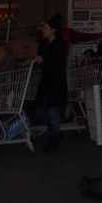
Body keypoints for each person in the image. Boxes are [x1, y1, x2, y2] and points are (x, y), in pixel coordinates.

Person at [33, 18, 68, 152]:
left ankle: (54, 138)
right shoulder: (44, 43)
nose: (43, 30)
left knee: (52, 110)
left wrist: (43, 60)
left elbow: (57, 64)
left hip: (56, 82)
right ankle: (54, 134)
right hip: (46, 82)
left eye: (46, 28)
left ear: (53, 30)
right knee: (48, 111)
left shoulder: (60, 44)